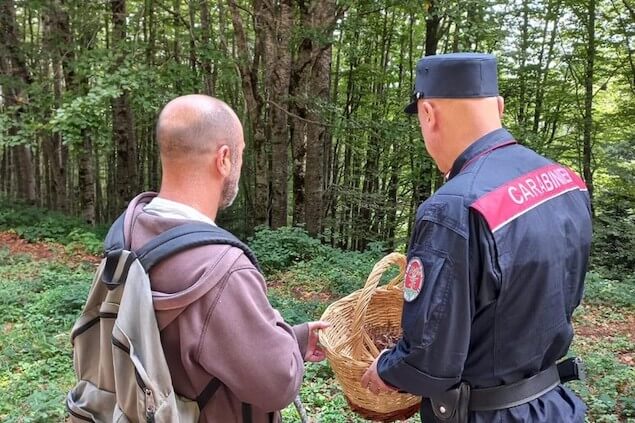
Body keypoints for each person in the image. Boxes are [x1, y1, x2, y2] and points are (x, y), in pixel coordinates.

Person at [361, 53, 592, 422]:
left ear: (428, 114)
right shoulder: (564, 181)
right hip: (553, 406)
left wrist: (387, 370)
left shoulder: (454, 207)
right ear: (498, 107)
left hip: (485, 414)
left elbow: (430, 358)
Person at [123, 94, 329, 422]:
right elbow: (279, 384)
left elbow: (194, 338)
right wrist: (286, 346)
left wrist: (298, 337)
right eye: (240, 154)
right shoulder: (223, 270)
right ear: (223, 159)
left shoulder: (129, 232)